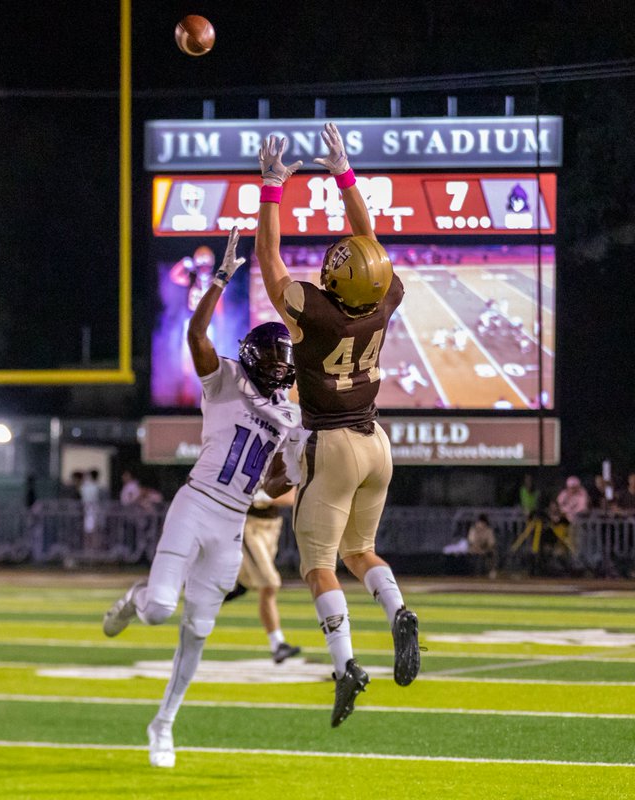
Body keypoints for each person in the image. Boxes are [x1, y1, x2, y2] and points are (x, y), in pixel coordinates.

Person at [101, 229, 299, 768]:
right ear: (256, 358)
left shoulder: (289, 414)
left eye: (287, 361)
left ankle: (163, 724)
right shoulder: (226, 380)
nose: (284, 369)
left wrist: (292, 473)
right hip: (195, 504)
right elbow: (195, 332)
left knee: (198, 633)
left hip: (234, 521)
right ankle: (135, 599)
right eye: (277, 359)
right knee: (162, 610)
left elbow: (280, 478)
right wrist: (219, 280)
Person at [254, 124, 419, 728]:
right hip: (378, 443)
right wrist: (346, 176)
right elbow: (369, 243)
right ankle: (396, 608)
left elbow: (270, 261)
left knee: (318, 564)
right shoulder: (385, 296)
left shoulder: (316, 315)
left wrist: (272, 188)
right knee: (362, 550)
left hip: (334, 444)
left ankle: (345, 662)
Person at [224, 487, 303, 664]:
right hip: (248, 524)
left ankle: (231, 588)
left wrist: (263, 496)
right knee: (270, 583)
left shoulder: (281, 460)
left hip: (272, 526)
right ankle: (278, 644)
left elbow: (291, 496)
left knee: (251, 580)